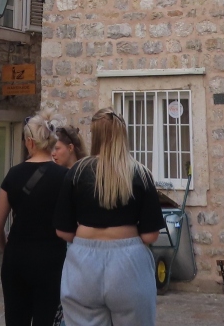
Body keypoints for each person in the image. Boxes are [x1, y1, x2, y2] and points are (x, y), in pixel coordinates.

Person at [54, 108, 165, 326]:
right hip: (129, 262)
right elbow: (151, 235)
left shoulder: (76, 172)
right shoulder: (141, 173)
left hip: (83, 263)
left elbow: (62, 230)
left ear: (94, 135)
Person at [0, 117, 69, 326]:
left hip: (17, 257)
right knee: (46, 318)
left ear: (30, 142)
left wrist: (5, 247)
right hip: (51, 258)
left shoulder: (13, 174)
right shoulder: (65, 176)